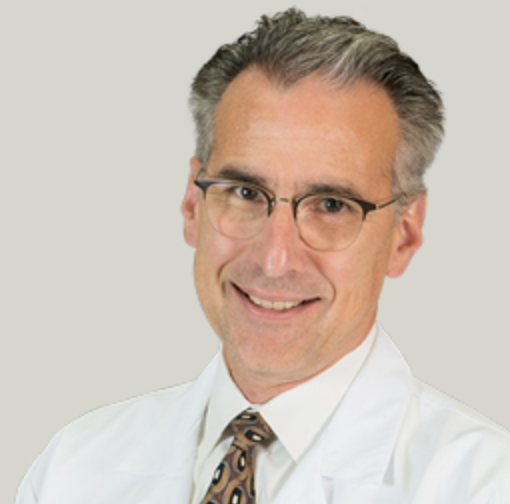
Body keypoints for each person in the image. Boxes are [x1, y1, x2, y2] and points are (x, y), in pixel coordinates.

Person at [16, 8, 510, 504]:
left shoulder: (484, 485)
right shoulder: (72, 471)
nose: (275, 260)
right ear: (192, 203)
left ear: (404, 234)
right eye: (246, 193)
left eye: (331, 205)